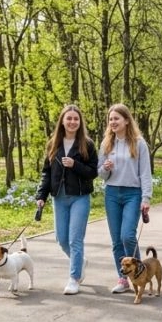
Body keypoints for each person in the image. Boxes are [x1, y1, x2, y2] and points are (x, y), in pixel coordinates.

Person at [36, 104, 98, 295]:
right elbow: (46, 173)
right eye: (69, 118)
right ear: (62, 121)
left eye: (76, 119)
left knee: (75, 240)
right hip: (59, 198)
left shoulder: (87, 145)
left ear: (80, 122)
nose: (72, 122)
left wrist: (75, 164)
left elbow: (93, 172)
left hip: (80, 197)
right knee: (61, 239)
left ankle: (74, 278)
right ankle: (79, 262)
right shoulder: (53, 144)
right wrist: (41, 196)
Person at [98, 103, 152, 295]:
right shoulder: (106, 144)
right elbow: (101, 174)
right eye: (110, 119)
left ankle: (139, 273)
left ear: (126, 121)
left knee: (127, 236)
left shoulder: (139, 143)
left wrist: (146, 198)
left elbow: (145, 173)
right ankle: (123, 279)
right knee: (116, 241)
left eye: (116, 119)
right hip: (112, 193)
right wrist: (105, 168)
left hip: (133, 194)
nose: (113, 122)